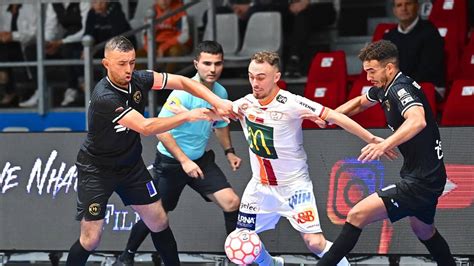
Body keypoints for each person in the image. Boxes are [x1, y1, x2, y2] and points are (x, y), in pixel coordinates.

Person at [65, 36, 235, 266]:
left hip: (130, 167)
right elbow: (146, 127)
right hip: (97, 170)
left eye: (132, 62)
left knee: (159, 220)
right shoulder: (104, 97)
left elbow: (183, 82)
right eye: (121, 63)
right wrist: (188, 115)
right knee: (91, 239)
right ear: (106, 63)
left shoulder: (139, 79)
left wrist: (216, 100)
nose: (128, 70)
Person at [230, 51, 383, 266]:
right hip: (259, 188)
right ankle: (270, 264)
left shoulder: (292, 102)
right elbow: (216, 110)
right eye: (251, 76)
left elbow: (334, 116)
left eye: (261, 77)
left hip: (294, 187)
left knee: (315, 243)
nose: (255, 83)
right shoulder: (244, 104)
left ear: (276, 77)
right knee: (241, 243)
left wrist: (371, 137)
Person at [315, 40, 455, 266]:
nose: (368, 77)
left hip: (422, 181)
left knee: (356, 215)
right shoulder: (384, 88)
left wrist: (383, 145)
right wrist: (328, 116)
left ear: (389, 68)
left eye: (371, 71)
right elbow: (361, 103)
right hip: (427, 176)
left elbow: (417, 120)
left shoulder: (401, 89)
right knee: (424, 231)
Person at [118, 40, 242, 265]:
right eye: (206, 63)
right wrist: (184, 161)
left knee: (232, 202)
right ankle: (127, 255)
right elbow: (161, 131)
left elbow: (221, 126)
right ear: (196, 64)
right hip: (171, 163)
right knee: (156, 214)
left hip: (201, 162)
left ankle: (238, 258)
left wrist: (229, 152)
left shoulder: (220, 92)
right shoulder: (182, 93)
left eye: (218, 63)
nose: (212, 69)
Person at [19, 1, 90, 107]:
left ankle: (72, 88)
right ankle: (41, 91)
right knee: (32, 49)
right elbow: (50, 29)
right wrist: (48, 44)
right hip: (64, 40)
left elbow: (86, 30)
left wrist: (61, 42)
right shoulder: (54, 3)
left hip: (84, 41)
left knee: (68, 48)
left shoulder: (84, 2)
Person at [383, 0, 445, 99]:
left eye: (408, 4)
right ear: (394, 11)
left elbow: (427, 70)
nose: (403, 8)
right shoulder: (389, 36)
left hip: (427, 86)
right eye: (399, 5)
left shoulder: (430, 32)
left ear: (417, 6)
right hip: (399, 87)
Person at [0, 3, 37, 107]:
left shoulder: (31, 6)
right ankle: (8, 87)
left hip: (26, 45)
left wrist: (13, 36)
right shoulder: (3, 6)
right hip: (7, 47)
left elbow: (34, 33)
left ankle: (9, 87)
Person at [144, 0, 192, 73]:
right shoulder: (151, 11)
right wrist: (149, 49)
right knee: (137, 55)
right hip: (156, 45)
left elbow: (185, 36)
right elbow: (145, 35)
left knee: (175, 51)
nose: (164, 1)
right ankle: (140, 82)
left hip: (177, 45)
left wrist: (164, 46)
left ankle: (167, 80)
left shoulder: (179, 10)